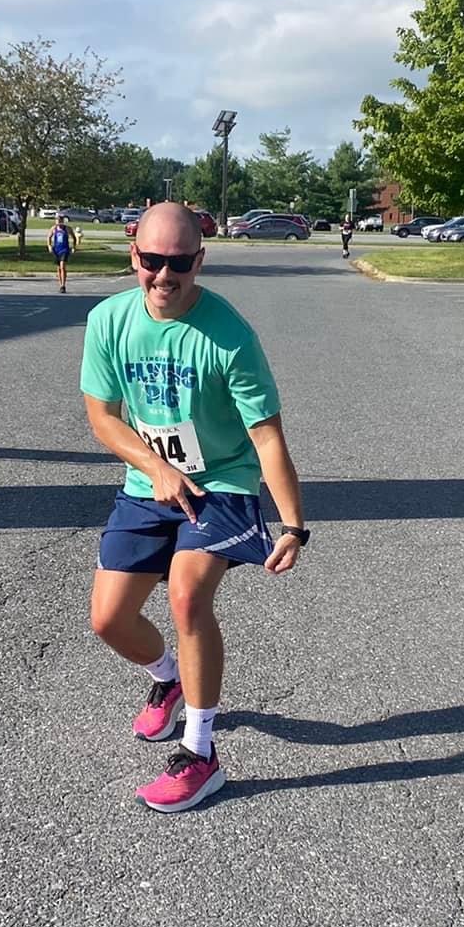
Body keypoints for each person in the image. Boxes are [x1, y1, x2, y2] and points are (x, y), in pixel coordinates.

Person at [81, 201, 308, 813]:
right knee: (109, 620)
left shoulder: (229, 338)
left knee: (186, 594)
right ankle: (167, 678)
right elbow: (101, 416)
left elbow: (267, 437)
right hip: (148, 485)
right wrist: (155, 467)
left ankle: (201, 754)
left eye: (178, 262)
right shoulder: (108, 320)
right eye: (151, 260)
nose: (163, 275)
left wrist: (294, 524)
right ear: (133, 255)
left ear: (199, 261)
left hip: (223, 483)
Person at [49, 213, 75, 293]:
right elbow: (49, 237)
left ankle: (63, 285)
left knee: (62, 266)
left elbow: (74, 238)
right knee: (58, 268)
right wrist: (49, 246)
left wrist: (74, 247)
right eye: (57, 220)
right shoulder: (54, 229)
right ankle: (60, 284)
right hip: (56, 250)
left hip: (64, 249)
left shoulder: (67, 229)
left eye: (60, 220)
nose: (58, 221)